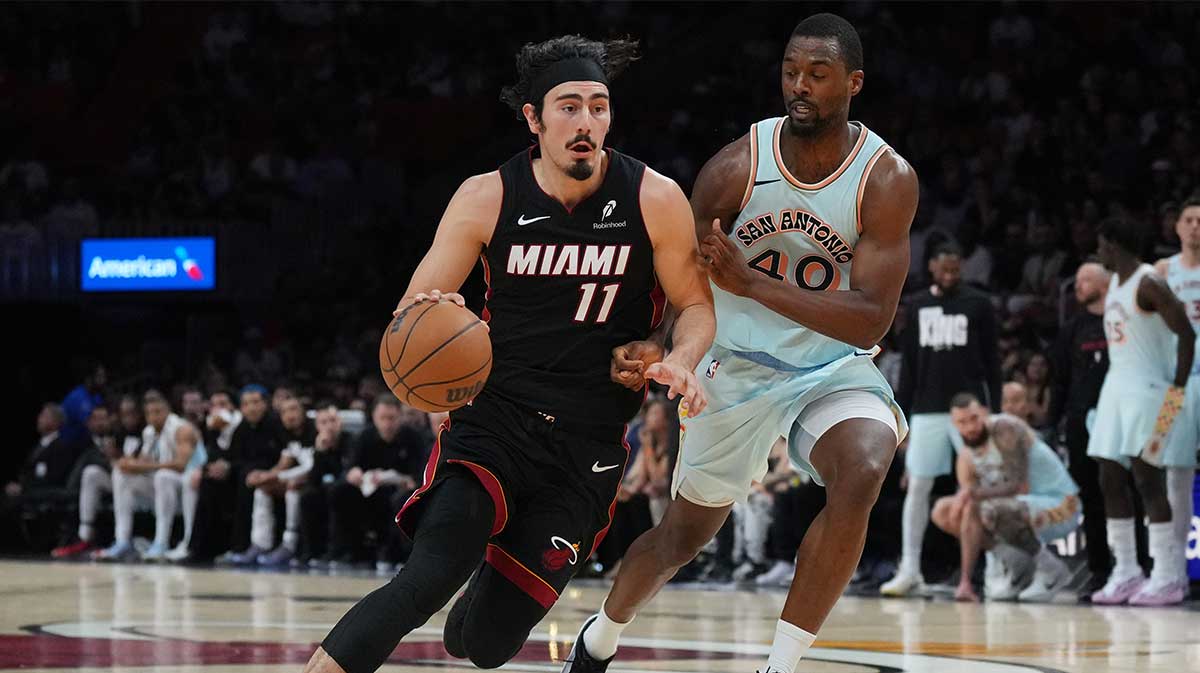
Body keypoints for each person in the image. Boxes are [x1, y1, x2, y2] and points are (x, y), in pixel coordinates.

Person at [303, 34, 714, 673]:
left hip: (588, 444)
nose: (586, 122)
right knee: (427, 578)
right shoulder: (487, 196)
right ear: (533, 117)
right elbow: (410, 315)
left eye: (599, 106)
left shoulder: (652, 197)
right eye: (568, 106)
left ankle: (490, 579)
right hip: (493, 421)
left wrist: (675, 354)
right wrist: (442, 321)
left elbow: (697, 306)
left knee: (484, 645)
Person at [569, 14, 916, 673]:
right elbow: (677, 274)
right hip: (733, 364)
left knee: (865, 467)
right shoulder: (736, 169)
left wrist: (753, 284)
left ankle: (778, 666)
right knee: (681, 538)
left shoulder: (886, 179)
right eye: (790, 72)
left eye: (817, 74)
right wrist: (653, 344)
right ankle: (600, 638)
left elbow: (871, 320)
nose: (799, 86)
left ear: (854, 82)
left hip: (830, 366)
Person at [883, 240, 1002, 596]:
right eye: (944, 269)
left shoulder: (978, 304)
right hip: (928, 409)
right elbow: (910, 370)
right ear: (932, 267)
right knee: (918, 487)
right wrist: (901, 418)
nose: (950, 274)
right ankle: (910, 568)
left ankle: (996, 570)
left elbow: (992, 363)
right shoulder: (918, 305)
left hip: (969, 411)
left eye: (956, 269)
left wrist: (991, 410)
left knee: (984, 485)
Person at [1088, 216, 1194, 606]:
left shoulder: (1150, 282)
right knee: (1109, 477)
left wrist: (1177, 390)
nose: (1098, 254)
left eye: (1101, 246)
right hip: (1116, 390)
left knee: (1148, 479)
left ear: (1114, 245)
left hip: (1151, 394)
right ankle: (1127, 571)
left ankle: (1167, 576)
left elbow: (1186, 332)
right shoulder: (1116, 282)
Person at [931, 393, 1079, 603]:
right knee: (944, 511)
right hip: (1022, 507)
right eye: (962, 422)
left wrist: (972, 494)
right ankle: (1015, 564)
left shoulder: (1005, 429)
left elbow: (1020, 486)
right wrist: (965, 581)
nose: (970, 427)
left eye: (974, 418)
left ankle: (1051, 570)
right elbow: (970, 514)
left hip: (1061, 505)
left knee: (989, 509)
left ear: (984, 413)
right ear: (954, 425)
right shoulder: (966, 456)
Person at [1049, 261, 1113, 598]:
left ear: (1105, 283)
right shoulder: (1071, 329)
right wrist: (1052, 421)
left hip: (1118, 419)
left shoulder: (1121, 322)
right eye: (1076, 280)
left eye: (1086, 279)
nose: (1078, 285)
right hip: (1080, 422)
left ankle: (1140, 566)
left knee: (1127, 493)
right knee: (1091, 498)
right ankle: (1099, 570)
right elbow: (1059, 381)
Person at [92, 390, 205, 562]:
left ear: (168, 411)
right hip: (164, 489)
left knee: (163, 476)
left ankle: (161, 542)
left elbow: (181, 465)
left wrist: (145, 466)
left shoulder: (182, 429)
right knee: (120, 474)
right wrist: (128, 463)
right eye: (149, 413)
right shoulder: (149, 432)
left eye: (158, 412)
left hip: (192, 483)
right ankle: (122, 540)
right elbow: (145, 460)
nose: (153, 417)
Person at [1154, 191, 1200, 594]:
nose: (1195, 227)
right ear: (1177, 226)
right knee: (1174, 474)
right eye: (1189, 220)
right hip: (1174, 386)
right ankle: (1174, 571)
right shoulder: (1162, 271)